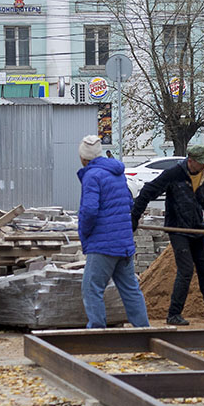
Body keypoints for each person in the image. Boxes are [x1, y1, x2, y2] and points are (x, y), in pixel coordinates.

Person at [131, 143, 204, 326]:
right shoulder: (174, 174)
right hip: (178, 228)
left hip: (196, 228)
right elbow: (147, 192)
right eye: (201, 163)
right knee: (186, 270)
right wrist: (135, 216)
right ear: (191, 161)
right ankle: (173, 314)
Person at [77, 134, 150, 329]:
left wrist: (84, 233)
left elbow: (89, 210)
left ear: (84, 158)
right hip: (123, 243)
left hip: (103, 244)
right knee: (130, 289)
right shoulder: (117, 174)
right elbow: (128, 202)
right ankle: (143, 329)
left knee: (92, 288)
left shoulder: (92, 176)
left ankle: (97, 331)